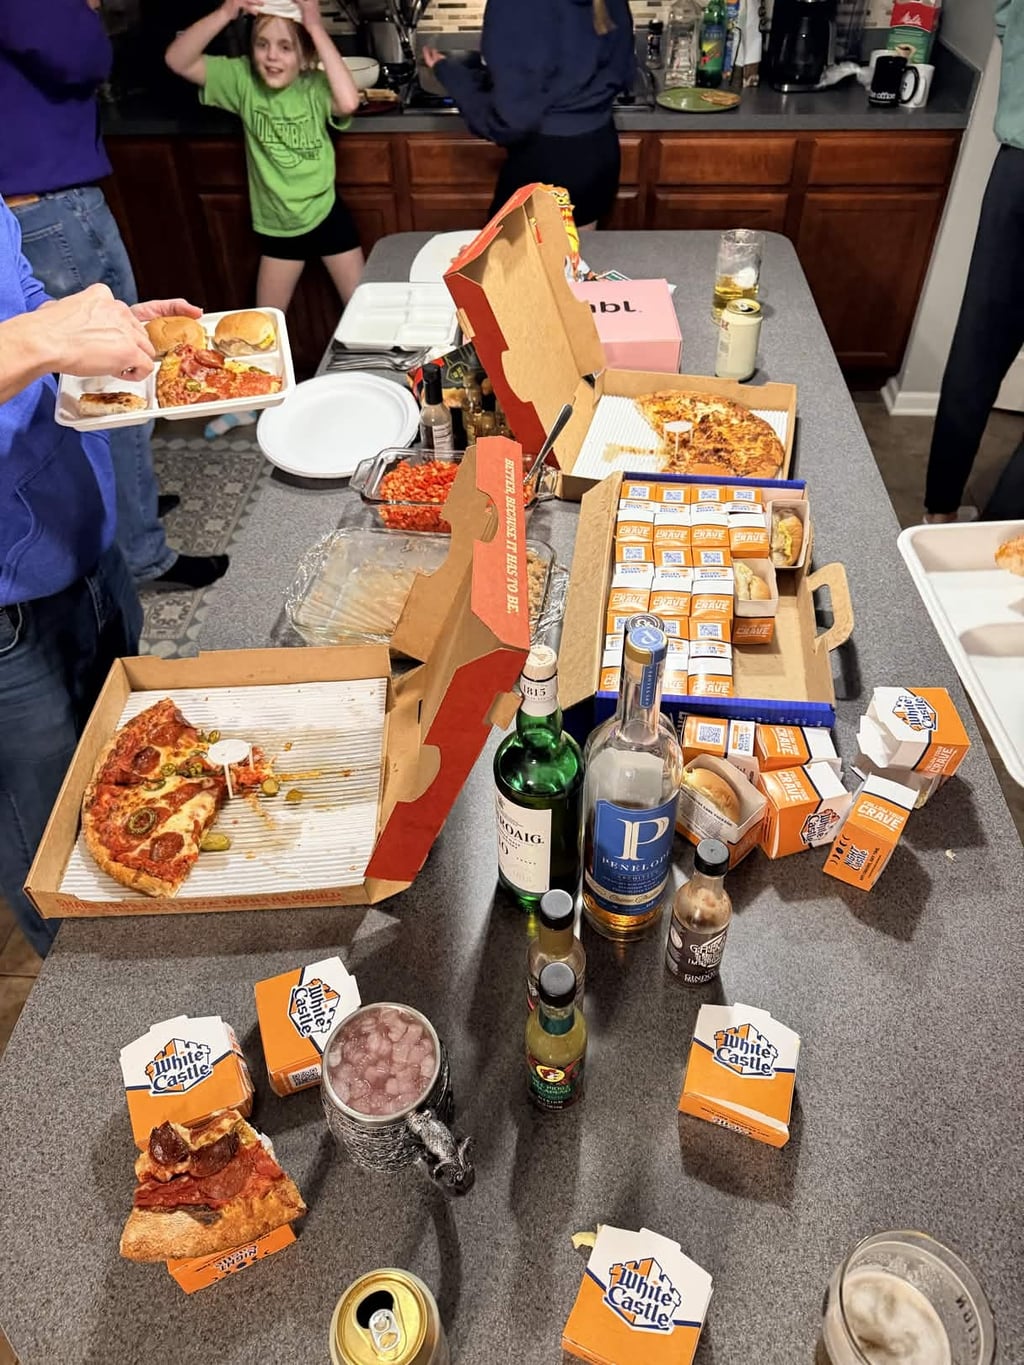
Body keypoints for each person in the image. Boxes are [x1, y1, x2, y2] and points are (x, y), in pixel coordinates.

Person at [0, 200, 204, 958]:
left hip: (79, 546)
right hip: (9, 617)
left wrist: (96, 333)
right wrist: (39, 338)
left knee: (142, 777)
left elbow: (16, 293)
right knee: (52, 856)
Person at [0, 0, 230, 591]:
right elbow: (83, 55)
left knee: (112, 373)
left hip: (36, 200)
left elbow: (21, 298)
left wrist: (81, 322)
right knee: (116, 390)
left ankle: (129, 510)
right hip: (50, 201)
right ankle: (143, 549)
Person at [166, 0, 364, 314]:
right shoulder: (243, 81)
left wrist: (314, 26)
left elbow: (349, 102)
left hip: (326, 211)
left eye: (285, 47)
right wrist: (225, 12)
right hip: (277, 222)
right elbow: (177, 60)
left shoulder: (315, 86)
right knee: (266, 323)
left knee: (362, 310)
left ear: (304, 57)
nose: (271, 55)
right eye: (262, 44)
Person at [923, 0, 1024, 523]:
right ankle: (997, 545)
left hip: (1018, 169)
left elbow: (1007, 17)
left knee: (978, 347)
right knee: (978, 349)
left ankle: (939, 514)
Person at [422, 0, 635, 228]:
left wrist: (454, 78)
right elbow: (620, 68)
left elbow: (509, 121)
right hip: (600, 152)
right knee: (577, 249)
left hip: (548, 166)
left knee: (508, 250)